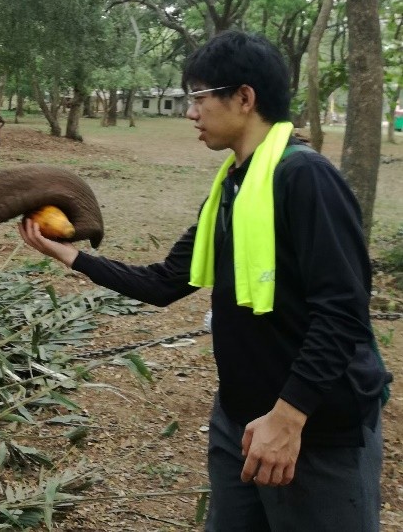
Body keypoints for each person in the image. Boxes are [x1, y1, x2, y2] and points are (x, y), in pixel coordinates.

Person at [19, 30, 390, 532]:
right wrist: (69, 256)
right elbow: (165, 281)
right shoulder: (232, 188)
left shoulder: (306, 178)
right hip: (240, 421)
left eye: (198, 97)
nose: (190, 112)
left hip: (313, 432)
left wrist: (289, 417)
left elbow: (344, 311)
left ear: (244, 97)